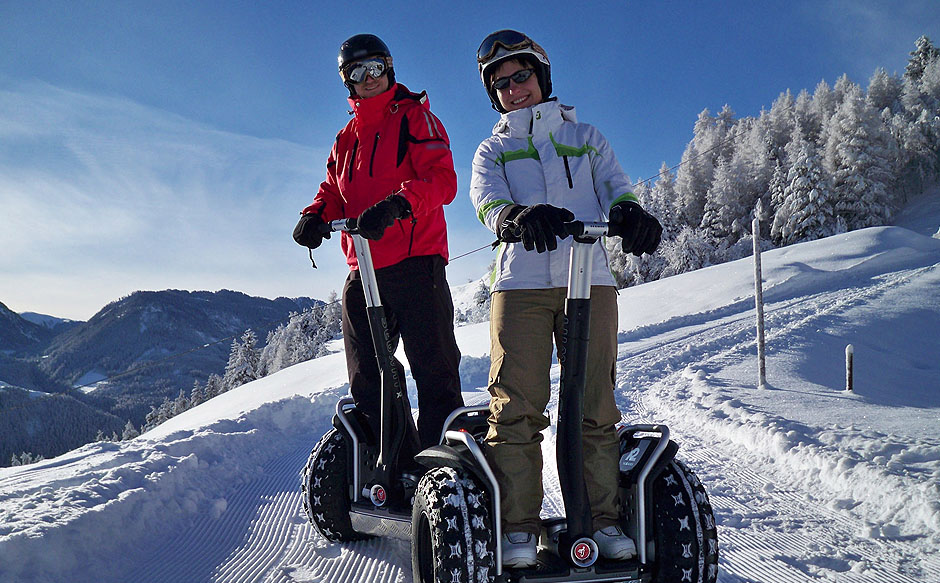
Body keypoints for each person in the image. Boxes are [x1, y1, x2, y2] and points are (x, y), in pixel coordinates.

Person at [469, 30, 663, 568]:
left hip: (591, 281)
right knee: (516, 409)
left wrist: (630, 213)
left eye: (522, 76)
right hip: (522, 286)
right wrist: (514, 217)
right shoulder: (494, 149)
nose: (514, 89)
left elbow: (617, 186)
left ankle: (599, 521)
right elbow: (486, 199)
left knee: (594, 406)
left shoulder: (586, 136)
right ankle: (518, 529)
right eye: (501, 84)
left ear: (542, 75)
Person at [293, 33, 464, 461]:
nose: (367, 78)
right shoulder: (345, 138)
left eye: (374, 68)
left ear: (388, 68)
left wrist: (399, 204)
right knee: (370, 378)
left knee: (435, 371)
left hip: (416, 263)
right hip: (364, 272)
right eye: (356, 72)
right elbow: (332, 188)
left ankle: (444, 469)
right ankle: (399, 467)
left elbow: (441, 179)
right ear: (347, 81)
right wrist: (315, 213)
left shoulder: (415, 119)